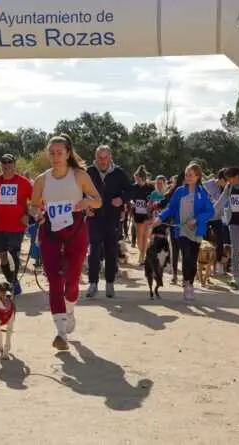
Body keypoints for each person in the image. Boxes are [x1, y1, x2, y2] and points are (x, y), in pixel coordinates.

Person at [31, 135, 101, 350]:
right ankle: (61, 331)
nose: (55, 157)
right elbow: (34, 205)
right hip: (50, 231)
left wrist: (85, 202)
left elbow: (98, 200)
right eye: (51, 153)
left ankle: (69, 309)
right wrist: (37, 213)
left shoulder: (79, 176)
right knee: (54, 279)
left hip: (76, 231)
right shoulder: (42, 180)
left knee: (72, 279)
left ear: (68, 153)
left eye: (59, 152)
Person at [153, 163, 214, 301]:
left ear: (198, 177)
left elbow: (210, 211)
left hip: (197, 231)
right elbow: (171, 208)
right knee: (186, 256)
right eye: (186, 174)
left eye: (190, 175)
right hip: (181, 230)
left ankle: (190, 283)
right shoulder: (180, 191)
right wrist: (160, 217)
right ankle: (187, 285)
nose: (187, 177)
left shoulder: (202, 193)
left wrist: (197, 219)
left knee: (192, 260)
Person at [86, 145, 130, 299]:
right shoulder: (89, 172)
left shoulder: (118, 173)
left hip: (112, 218)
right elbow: (80, 191)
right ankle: (93, 283)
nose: (103, 161)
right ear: (96, 157)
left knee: (111, 251)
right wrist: (86, 207)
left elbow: (130, 190)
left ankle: (110, 283)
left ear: (111, 157)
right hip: (94, 217)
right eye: (100, 157)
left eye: (105, 157)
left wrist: (122, 199)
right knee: (94, 251)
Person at [0, 153, 33, 295]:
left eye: (9, 162)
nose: (6, 165)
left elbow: (33, 201)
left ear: (14, 164)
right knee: (2, 256)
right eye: (4, 163)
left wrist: (27, 215)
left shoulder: (24, 182)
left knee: (14, 254)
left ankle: (14, 281)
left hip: (16, 225)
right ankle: (11, 280)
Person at [203, 169, 229, 275]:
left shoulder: (225, 189)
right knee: (203, 241)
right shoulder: (206, 185)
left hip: (217, 218)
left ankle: (218, 263)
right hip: (204, 217)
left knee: (220, 240)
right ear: (221, 179)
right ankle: (203, 263)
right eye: (226, 180)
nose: (228, 183)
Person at [129, 165, 155, 265]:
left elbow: (155, 200)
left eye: (138, 179)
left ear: (143, 178)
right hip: (137, 215)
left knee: (145, 236)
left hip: (147, 216)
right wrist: (132, 203)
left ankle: (142, 257)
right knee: (139, 238)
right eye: (135, 179)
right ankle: (142, 252)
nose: (137, 181)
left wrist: (150, 203)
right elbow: (130, 198)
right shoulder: (133, 187)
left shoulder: (150, 188)